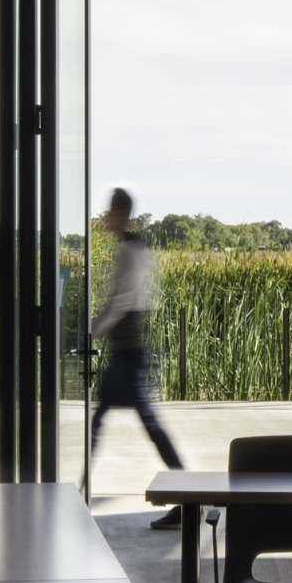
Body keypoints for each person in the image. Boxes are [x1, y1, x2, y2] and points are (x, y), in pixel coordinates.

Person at [90, 187, 186, 527]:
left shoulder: (130, 251)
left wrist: (95, 327)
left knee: (142, 424)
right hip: (128, 350)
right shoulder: (135, 247)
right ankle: (185, 497)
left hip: (127, 351)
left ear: (122, 214)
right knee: (117, 421)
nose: (107, 217)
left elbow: (121, 299)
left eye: (111, 211)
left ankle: (187, 498)